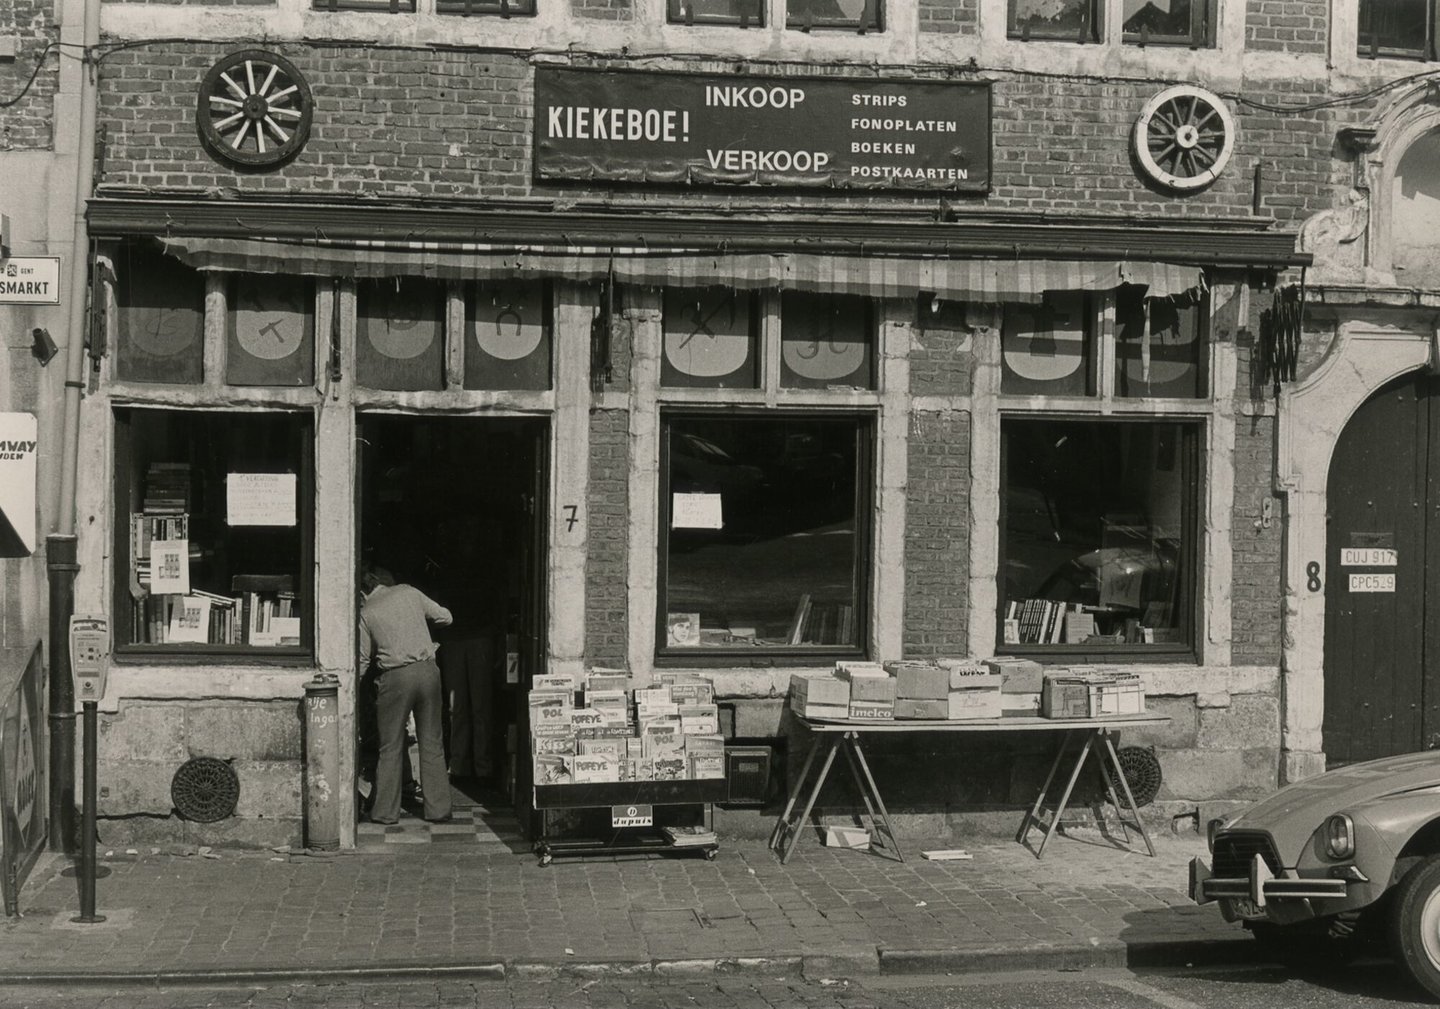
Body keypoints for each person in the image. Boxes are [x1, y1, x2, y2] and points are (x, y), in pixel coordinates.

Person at [357, 566, 453, 824]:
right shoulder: (410, 592)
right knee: (432, 741)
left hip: (395, 678)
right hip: (427, 672)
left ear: (362, 594)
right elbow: (446, 617)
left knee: (390, 745)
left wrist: (351, 685)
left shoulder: (367, 613)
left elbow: (363, 661)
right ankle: (439, 810)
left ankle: (386, 812)